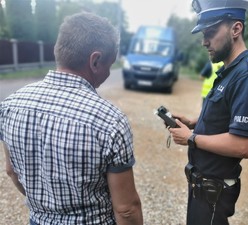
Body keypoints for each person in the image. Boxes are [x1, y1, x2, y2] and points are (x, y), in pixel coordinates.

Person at [0, 12, 143, 225]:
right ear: (95, 61)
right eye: (109, 64)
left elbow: (12, 172)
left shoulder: (10, 106)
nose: (108, 72)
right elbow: (126, 210)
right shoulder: (110, 121)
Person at [168, 0, 248, 224]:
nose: (204, 41)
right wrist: (195, 122)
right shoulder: (228, 70)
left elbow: (243, 146)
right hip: (202, 184)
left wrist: (191, 138)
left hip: (214, 189)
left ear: (236, 29)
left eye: (211, 32)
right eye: (203, 34)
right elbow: (225, 116)